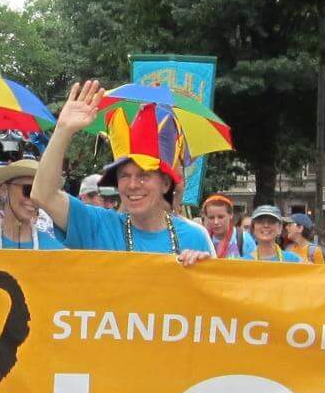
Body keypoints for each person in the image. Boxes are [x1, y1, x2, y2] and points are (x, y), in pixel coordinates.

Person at [31, 82, 212, 260]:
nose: (132, 185)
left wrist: (199, 270)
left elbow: (210, 280)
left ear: (165, 183)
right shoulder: (98, 227)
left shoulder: (195, 238)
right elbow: (43, 195)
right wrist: (63, 130)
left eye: (143, 175)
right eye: (124, 175)